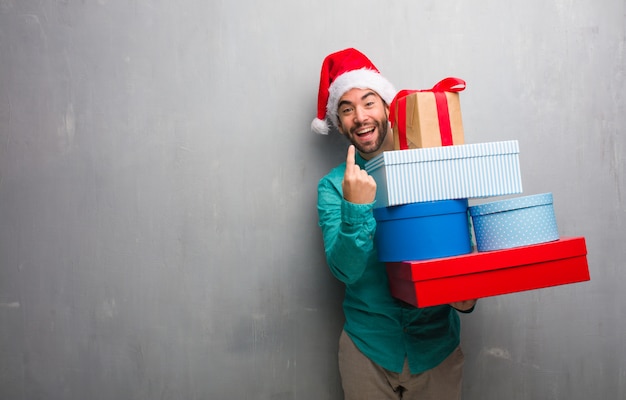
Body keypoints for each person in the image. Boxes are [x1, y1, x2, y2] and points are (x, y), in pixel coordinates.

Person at [312, 48, 476, 400]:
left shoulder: (432, 163)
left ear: (387, 106)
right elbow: (345, 271)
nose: (359, 116)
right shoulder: (331, 187)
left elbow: (462, 242)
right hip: (367, 350)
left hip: (437, 350)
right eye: (346, 109)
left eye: (368, 103)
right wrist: (356, 207)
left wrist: (466, 292)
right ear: (339, 124)